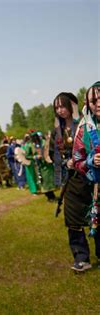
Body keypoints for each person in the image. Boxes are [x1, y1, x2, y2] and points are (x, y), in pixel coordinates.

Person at [72, 82, 100, 271]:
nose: (98, 103)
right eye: (94, 100)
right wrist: (91, 161)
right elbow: (77, 159)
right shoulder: (84, 129)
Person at [24, 130, 57, 201]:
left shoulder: (44, 142)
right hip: (39, 166)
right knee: (43, 181)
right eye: (33, 137)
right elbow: (27, 155)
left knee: (49, 180)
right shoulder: (30, 145)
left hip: (47, 165)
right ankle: (49, 196)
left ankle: (52, 195)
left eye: (36, 137)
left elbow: (49, 149)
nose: (35, 138)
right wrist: (35, 157)